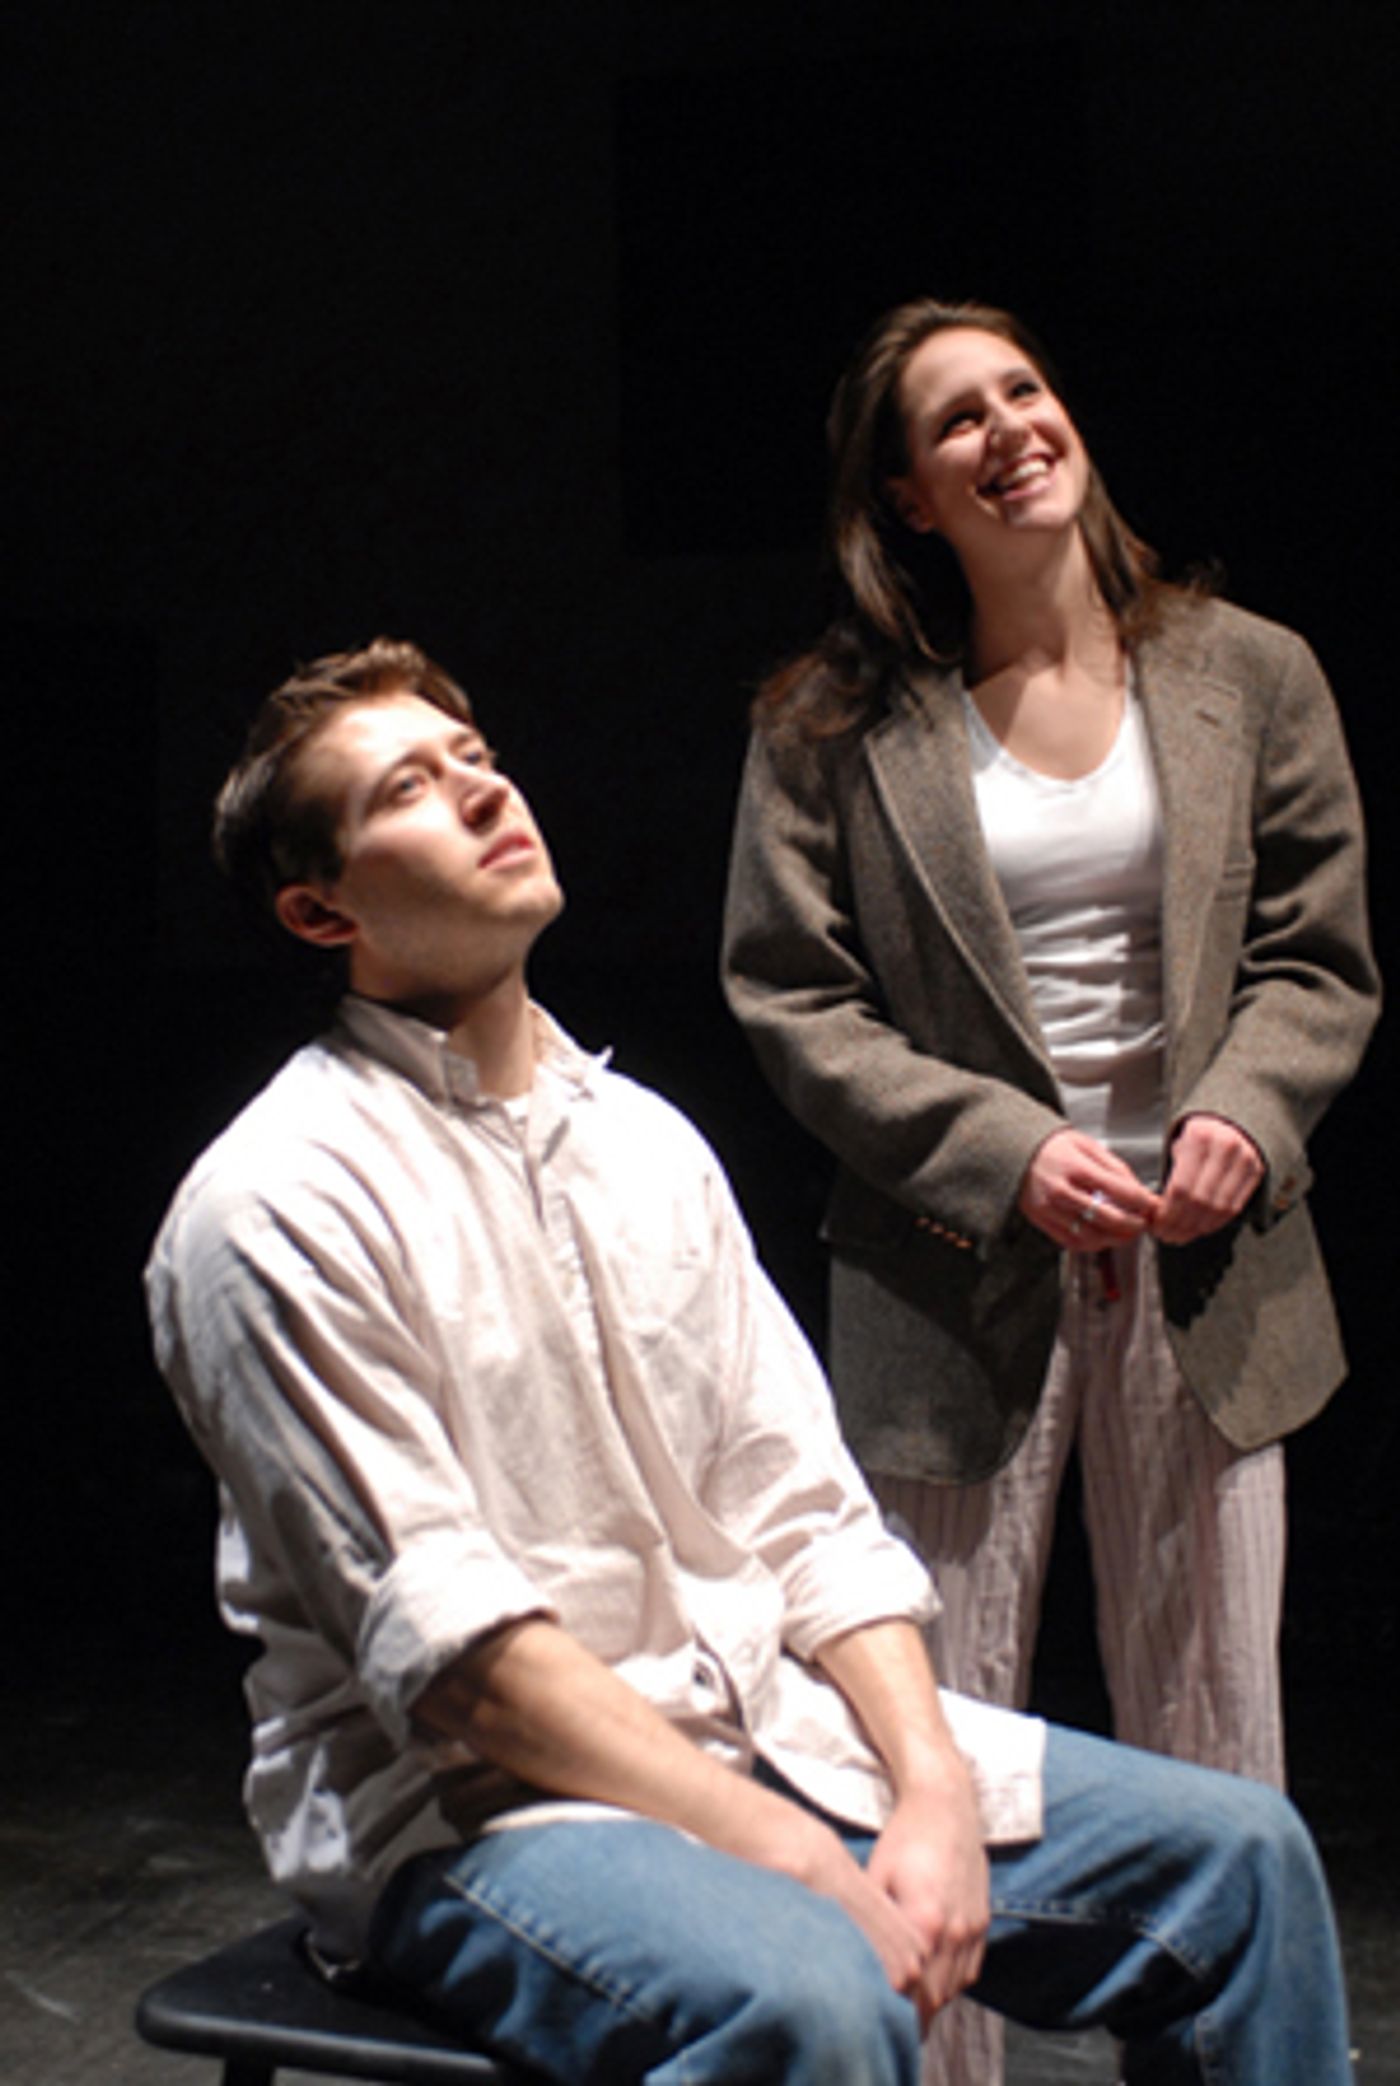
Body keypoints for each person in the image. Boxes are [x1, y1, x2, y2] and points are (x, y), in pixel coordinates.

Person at [147, 636, 1355, 2086]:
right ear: (319, 906)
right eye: (407, 787)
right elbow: (462, 1666)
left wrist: (929, 1786)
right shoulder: (277, 1202)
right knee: (816, 1997)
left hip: (764, 1729)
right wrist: (786, 1849)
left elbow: (809, 1517)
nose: (480, 791)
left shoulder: (646, 1144)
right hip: (485, 1816)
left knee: (1242, 1858)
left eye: (475, 757)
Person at [721, 296, 1378, 2079]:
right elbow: (790, 995)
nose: (1009, 426)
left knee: (1218, 1739)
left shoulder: (1251, 671)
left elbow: (1317, 957)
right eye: (957, 418)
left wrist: (1246, 1109)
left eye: (1023, 389)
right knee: (937, 1755)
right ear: (907, 496)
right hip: (953, 1274)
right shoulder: (834, 722)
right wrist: (1007, 1152)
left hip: (1206, 1264)